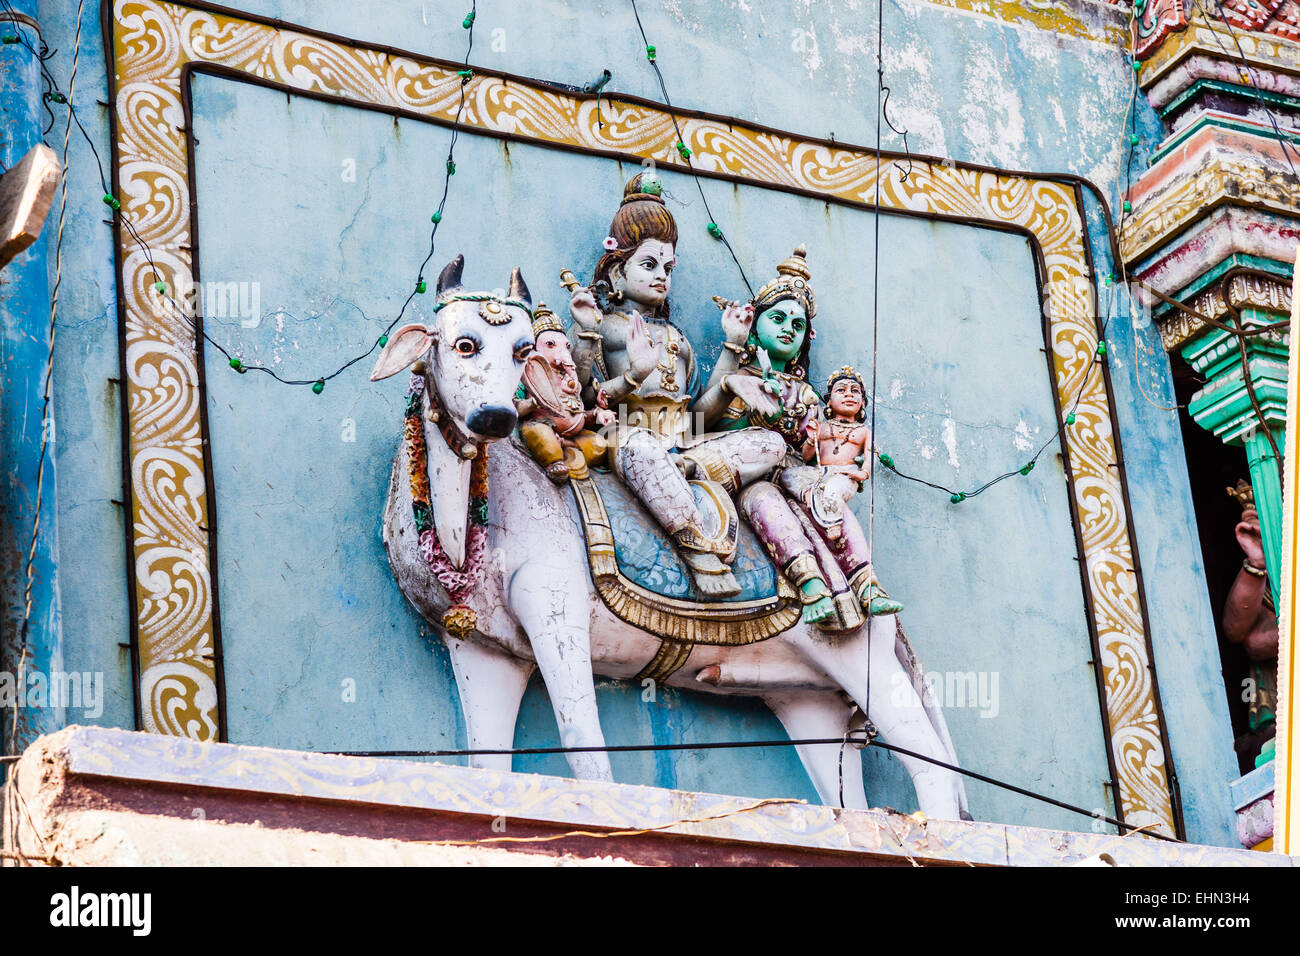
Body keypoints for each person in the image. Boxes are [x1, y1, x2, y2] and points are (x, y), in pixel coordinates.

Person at [567, 172, 787, 598]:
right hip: (628, 434)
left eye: (668, 267)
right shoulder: (608, 328)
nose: (661, 277)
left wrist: (732, 363)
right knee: (643, 448)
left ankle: (681, 471)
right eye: (648, 265)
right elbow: (584, 393)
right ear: (616, 272)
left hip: (684, 447)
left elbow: (697, 421)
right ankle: (698, 550)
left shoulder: (678, 339)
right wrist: (589, 338)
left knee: (771, 444)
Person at [708, 246, 903, 618]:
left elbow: (813, 453)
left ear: (803, 343)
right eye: (778, 318)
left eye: (797, 326)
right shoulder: (740, 378)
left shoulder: (809, 394)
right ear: (754, 326)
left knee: (823, 493)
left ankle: (866, 582)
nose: (787, 330)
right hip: (751, 477)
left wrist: (813, 440)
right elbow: (706, 423)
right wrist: (735, 382)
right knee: (767, 501)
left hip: (796, 472)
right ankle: (811, 584)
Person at [514, 302, 614, 483]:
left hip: (573, 436)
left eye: (566, 346)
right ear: (534, 348)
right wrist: (536, 402)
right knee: (538, 433)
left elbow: (576, 412)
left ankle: (565, 445)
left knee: (600, 445)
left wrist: (598, 414)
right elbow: (515, 409)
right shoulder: (528, 373)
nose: (562, 351)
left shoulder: (567, 379)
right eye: (550, 345)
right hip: (541, 425)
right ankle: (555, 461)